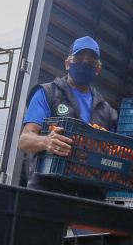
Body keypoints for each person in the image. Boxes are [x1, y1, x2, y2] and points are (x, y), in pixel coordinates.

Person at [18, 36, 118, 200]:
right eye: (78, 60)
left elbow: (111, 155)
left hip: (89, 195)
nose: (84, 65)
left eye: (91, 63)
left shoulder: (108, 112)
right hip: (47, 191)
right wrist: (46, 142)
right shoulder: (47, 93)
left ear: (97, 70)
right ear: (67, 64)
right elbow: (24, 140)